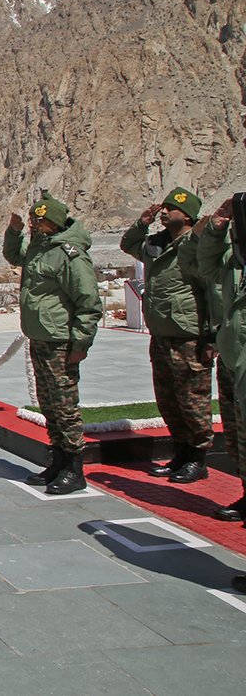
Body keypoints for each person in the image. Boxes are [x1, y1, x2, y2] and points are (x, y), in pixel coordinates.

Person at [4, 193, 102, 494]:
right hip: (41, 337)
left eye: (40, 220)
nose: (35, 224)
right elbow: (13, 255)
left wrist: (80, 344)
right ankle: (58, 460)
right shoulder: (39, 247)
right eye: (34, 219)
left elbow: (88, 302)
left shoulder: (70, 254)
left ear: (55, 223)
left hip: (61, 341)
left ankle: (74, 468)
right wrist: (14, 230)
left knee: (65, 406)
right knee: (49, 403)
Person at [121, 187, 213, 483]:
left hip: (189, 335)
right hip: (161, 333)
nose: (164, 212)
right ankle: (180, 454)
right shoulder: (156, 245)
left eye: (170, 209)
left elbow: (211, 291)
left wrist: (210, 336)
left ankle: (197, 459)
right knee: (168, 398)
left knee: (192, 398)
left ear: (186, 216)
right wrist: (142, 222)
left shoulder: (196, 246)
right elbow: (128, 244)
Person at [196, 196, 246, 520]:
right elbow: (206, 266)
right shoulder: (234, 259)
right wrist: (215, 230)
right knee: (240, 439)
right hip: (235, 363)